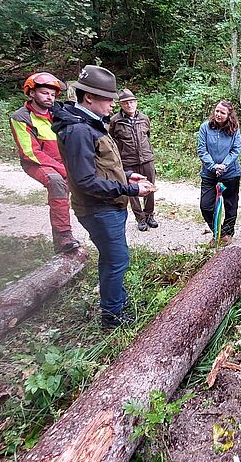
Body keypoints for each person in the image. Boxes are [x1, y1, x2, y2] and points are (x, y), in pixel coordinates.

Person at [52, 65, 154, 329]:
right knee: (117, 259)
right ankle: (112, 315)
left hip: (107, 205)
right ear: (89, 98)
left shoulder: (90, 123)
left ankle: (117, 300)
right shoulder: (78, 131)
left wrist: (128, 175)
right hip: (98, 209)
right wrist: (130, 190)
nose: (113, 104)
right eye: (108, 99)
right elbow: (86, 180)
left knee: (112, 258)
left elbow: (103, 165)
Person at [10, 72, 79, 254]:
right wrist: (63, 169)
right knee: (57, 182)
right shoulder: (21, 117)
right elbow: (30, 152)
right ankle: (63, 236)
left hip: (61, 160)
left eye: (52, 94)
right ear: (32, 93)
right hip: (37, 163)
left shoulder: (57, 111)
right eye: (44, 93)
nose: (50, 97)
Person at [109, 89, 158, 232]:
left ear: (136, 102)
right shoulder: (115, 121)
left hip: (146, 159)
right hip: (127, 161)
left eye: (131, 102)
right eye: (125, 103)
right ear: (121, 104)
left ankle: (149, 215)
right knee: (133, 191)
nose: (129, 105)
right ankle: (140, 218)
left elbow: (147, 136)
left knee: (150, 188)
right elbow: (112, 141)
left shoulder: (144, 118)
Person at [197, 100, 241, 246]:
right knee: (205, 205)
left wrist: (224, 165)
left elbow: (236, 149)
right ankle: (218, 232)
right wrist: (213, 166)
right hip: (209, 174)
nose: (218, 114)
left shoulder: (234, 129)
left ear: (229, 115)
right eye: (217, 111)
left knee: (230, 205)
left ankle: (228, 233)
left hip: (230, 174)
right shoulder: (205, 127)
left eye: (222, 112)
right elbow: (201, 150)